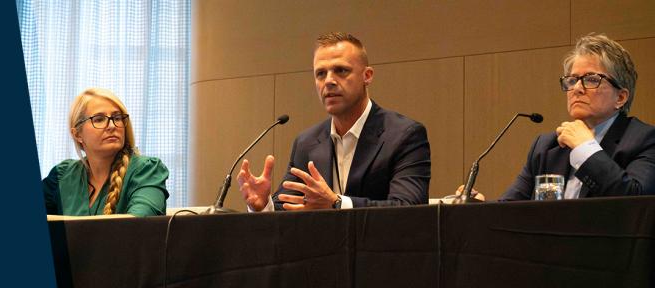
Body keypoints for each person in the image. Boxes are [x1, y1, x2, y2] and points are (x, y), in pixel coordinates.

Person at [239, 32, 431, 211]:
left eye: (341, 70)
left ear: (367, 76)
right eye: (320, 73)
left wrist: (336, 203)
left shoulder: (404, 135)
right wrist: (263, 205)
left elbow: (408, 208)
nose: (329, 81)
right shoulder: (306, 143)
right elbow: (288, 208)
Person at [457, 34, 655, 200]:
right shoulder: (547, 146)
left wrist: (586, 149)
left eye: (591, 79)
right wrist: (479, 207)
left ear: (620, 97)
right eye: (572, 80)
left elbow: (636, 202)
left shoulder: (644, 140)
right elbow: (511, 210)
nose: (577, 88)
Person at [43, 88, 169, 216]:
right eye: (98, 119)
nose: (112, 126)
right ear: (77, 135)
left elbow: (137, 227)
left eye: (117, 118)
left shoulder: (147, 170)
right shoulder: (62, 175)